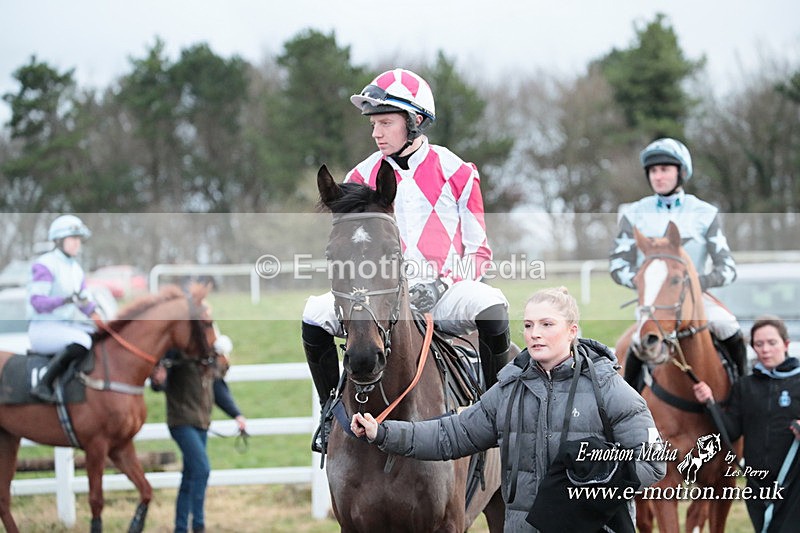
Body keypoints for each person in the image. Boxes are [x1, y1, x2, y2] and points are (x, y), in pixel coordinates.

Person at [302, 68, 511, 450]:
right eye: (373, 124)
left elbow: (480, 250)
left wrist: (442, 283)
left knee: (493, 307)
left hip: (444, 294)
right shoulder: (361, 175)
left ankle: (497, 412)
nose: (376, 133)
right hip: (378, 297)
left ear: (414, 122)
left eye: (385, 122)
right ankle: (329, 411)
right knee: (313, 314)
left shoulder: (458, 171)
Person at [351, 287, 665, 531]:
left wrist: (590, 477)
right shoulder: (509, 389)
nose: (535, 333)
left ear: (572, 331)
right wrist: (383, 432)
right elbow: (452, 435)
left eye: (547, 324)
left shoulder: (610, 389)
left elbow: (654, 463)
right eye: (528, 325)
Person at [609, 137, 747, 389]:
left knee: (728, 326)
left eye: (664, 169)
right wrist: (646, 285)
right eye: (653, 171)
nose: (658, 176)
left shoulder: (705, 213)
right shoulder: (633, 214)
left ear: (681, 172)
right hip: (652, 303)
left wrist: (693, 284)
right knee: (634, 345)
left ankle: (743, 392)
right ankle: (628, 406)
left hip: (697, 300)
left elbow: (727, 268)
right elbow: (618, 264)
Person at [693, 316, 800, 533]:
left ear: (786, 345)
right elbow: (731, 431)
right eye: (759, 344)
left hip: (793, 485)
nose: (765, 350)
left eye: (772, 343)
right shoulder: (745, 386)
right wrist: (710, 403)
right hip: (758, 485)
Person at [150, 333, 247, 533]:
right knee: (202, 469)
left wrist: (236, 414)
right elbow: (161, 382)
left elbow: (219, 391)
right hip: (181, 423)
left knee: (190, 475)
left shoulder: (207, 364)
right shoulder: (180, 357)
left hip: (201, 424)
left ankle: (180, 527)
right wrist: (158, 381)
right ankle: (198, 525)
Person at [27, 214, 98, 402]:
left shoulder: (76, 269)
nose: (77, 243)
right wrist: (65, 300)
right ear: (59, 240)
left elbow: (86, 303)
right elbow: (37, 302)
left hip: (64, 327)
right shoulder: (46, 264)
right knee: (83, 341)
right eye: (73, 239)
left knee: (95, 337)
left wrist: (103, 321)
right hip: (43, 329)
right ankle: (44, 384)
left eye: (79, 239)